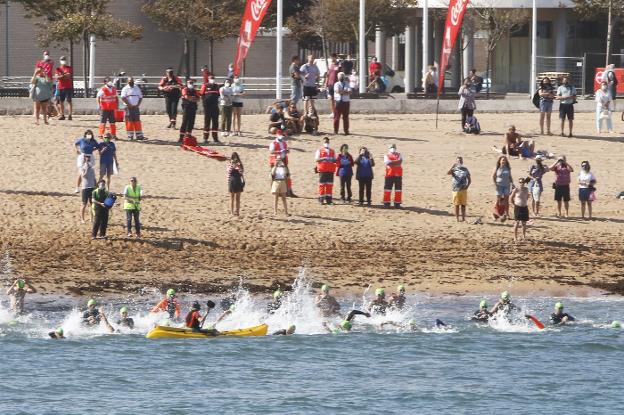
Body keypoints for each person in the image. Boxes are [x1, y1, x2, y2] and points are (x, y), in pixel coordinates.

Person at [269, 129, 296, 197]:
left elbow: (286, 150)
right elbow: (271, 152)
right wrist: (280, 151)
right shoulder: (273, 143)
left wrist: (286, 151)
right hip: (276, 161)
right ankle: (275, 191)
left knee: (287, 176)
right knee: (274, 176)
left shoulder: (284, 142)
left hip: (283, 160)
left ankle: (289, 191)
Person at [121, 76, 146, 140]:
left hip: (135, 107)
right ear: (127, 82)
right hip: (128, 107)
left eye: (132, 81)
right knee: (129, 121)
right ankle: (130, 135)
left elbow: (140, 97)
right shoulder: (125, 88)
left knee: (137, 121)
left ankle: (139, 135)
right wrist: (129, 104)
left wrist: (138, 104)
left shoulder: (137, 88)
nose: (131, 82)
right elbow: (123, 98)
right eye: (130, 81)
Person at [448, 156, 471, 222]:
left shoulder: (465, 169)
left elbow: (469, 179)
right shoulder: (454, 169)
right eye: (458, 161)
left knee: (463, 205)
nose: (459, 162)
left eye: (460, 161)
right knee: (456, 204)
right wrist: (452, 166)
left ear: (462, 162)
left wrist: (467, 185)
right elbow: (448, 173)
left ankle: (463, 218)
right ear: (456, 162)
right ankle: (457, 219)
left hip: (463, 189)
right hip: (455, 189)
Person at [315, 137, 337, 205]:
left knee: (329, 185)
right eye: (325, 142)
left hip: (330, 170)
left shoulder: (332, 151)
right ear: (323, 142)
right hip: (322, 170)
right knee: (322, 185)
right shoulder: (320, 150)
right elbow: (316, 159)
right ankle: (321, 199)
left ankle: (329, 200)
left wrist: (331, 159)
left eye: (327, 142)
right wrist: (324, 158)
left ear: (329, 142)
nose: (326, 143)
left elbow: (335, 159)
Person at [200, 75, 221, 143]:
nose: (212, 79)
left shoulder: (216, 86)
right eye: (211, 78)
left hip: (215, 107)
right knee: (207, 122)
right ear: (208, 79)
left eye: (213, 78)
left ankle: (215, 138)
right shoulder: (205, 85)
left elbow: (218, 95)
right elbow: (201, 94)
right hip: (207, 107)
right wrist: (204, 105)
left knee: (215, 122)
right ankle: (205, 138)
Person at [492, 156, 513, 221]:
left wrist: (512, 183)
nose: (503, 161)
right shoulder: (497, 168)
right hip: (499, 185)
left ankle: (507, 214)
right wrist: (495, 184)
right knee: (498, 200)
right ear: (500, 161)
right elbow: (493, 176)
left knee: (506, 200)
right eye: (502, 160)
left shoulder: (508, 168)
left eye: (505, 160)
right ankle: (495, 213)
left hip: (507, 185)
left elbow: (510, 177)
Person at [383, 144, 403, 208]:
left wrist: (392, 162)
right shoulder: (386, 155)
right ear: (389, 148)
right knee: (387, 189)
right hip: (389, 174)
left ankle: (397, 203)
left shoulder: (399, 154)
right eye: (391, 147)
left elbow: (400, 162)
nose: (393, 148)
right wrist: (395, 162)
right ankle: (386, 202)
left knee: (398, 190)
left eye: (394, 147)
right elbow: (387, 162)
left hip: (398, 174)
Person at [54, 55, 73, 120]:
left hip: (68, 87)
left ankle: (70, 115)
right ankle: (62, 115)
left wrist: (61, 76)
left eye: (64, 59)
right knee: (61, 101)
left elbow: (68, 76)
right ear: (60, 61)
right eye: (62, 59)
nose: (63, 60)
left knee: (69, 101)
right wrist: (63, 76)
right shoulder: (58, 69)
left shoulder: (68, 68)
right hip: (60, 87)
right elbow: (56, 77)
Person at [80, 154, 97, 223]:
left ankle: (91, 219)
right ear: (84, 159)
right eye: (86, 157)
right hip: (85, 187)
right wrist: (86, 170)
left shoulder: (92, 168)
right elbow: (83, 176)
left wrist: (96, 186)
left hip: (92, 187)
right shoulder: (82, 167)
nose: (88, 158)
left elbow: (94, 178)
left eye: (89, 157)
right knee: (84, 204)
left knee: (92, 204)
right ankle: (82, 219)